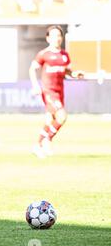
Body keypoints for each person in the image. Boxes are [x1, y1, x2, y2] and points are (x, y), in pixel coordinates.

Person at [29, 25, 84, 158]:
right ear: (48, 38)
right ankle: (47, 140)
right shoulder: (44, 54)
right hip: (49, 91)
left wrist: (74, 74)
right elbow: (32, 69)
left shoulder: (64, 55)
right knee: (62, 116)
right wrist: (35, 86)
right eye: (53, 36)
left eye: (59, 35)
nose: (57, 38)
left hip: (59, 91)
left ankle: (37, 146)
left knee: (50, 120)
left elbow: (65, 71)